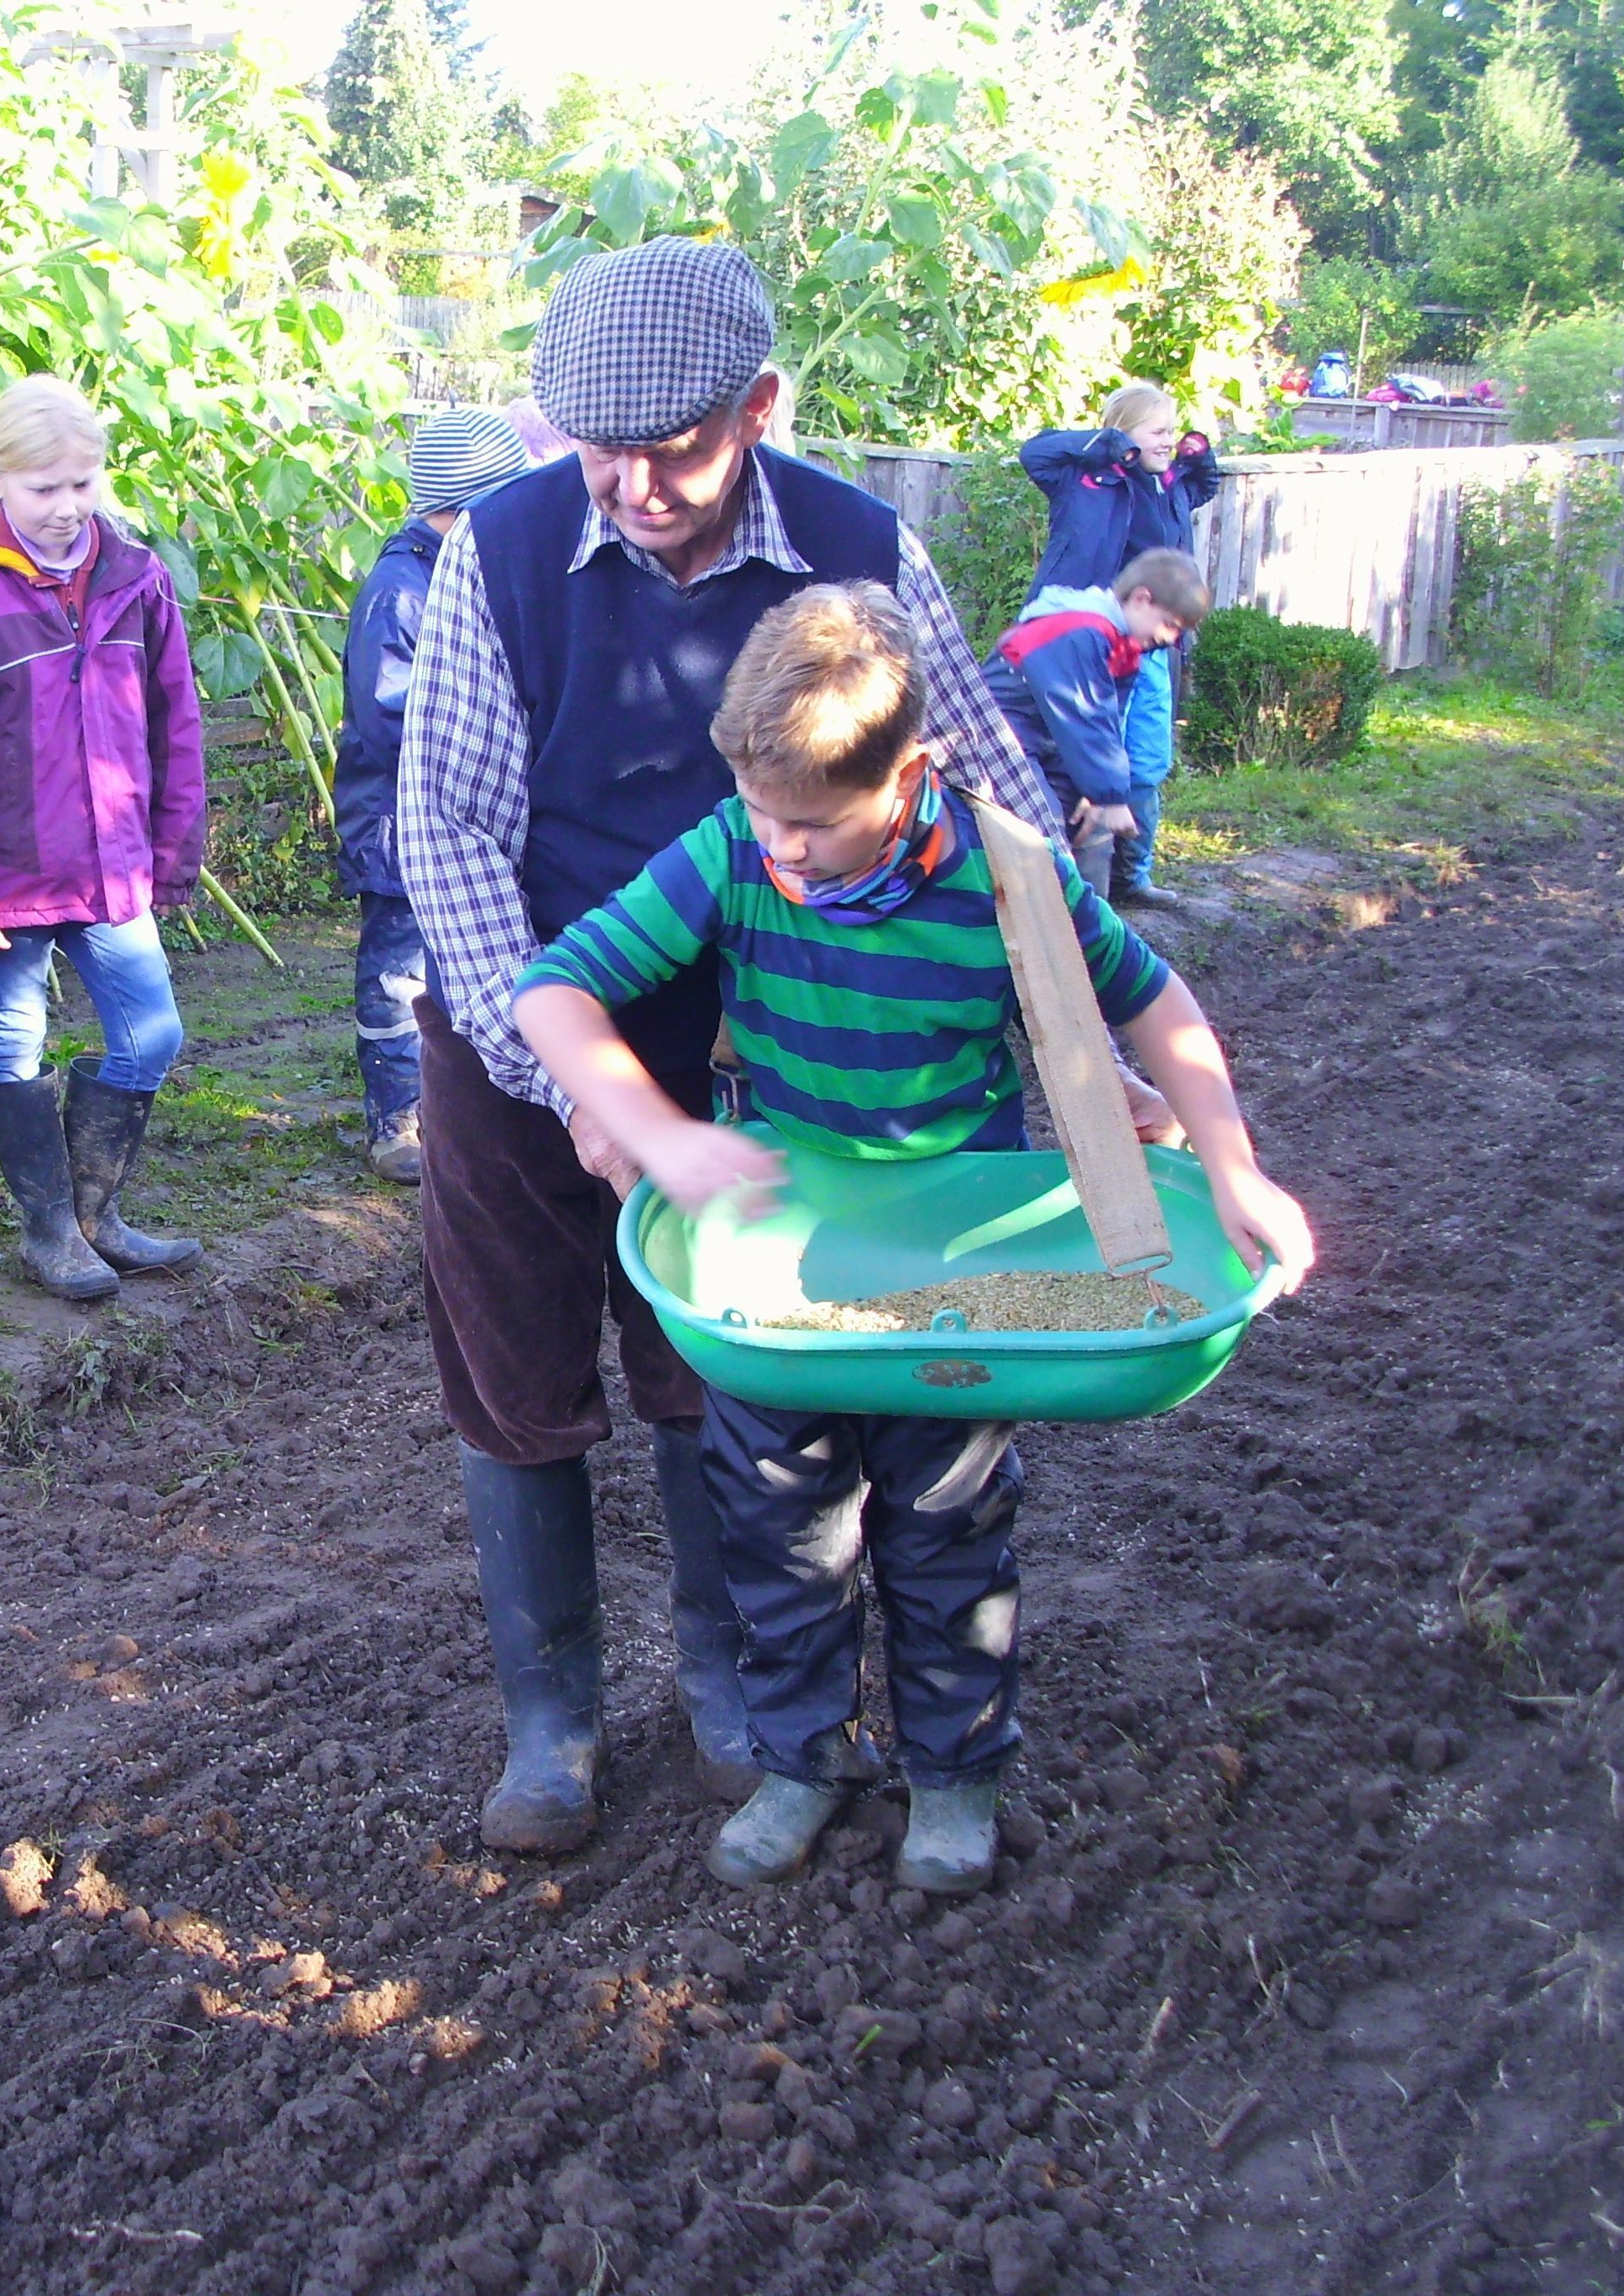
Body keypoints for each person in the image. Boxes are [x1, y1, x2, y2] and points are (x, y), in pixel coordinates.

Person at [396, 235, 1172, 1858]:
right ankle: (550, 1724)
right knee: (514, 1368)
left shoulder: (856, 548)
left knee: (726, 1363)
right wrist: (574, 1088)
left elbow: (993, 799)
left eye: (670, 449)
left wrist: (1070, 1034)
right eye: (598, 451)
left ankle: (732, 1692)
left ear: (755, 407)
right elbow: (448, 831)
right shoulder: (504, 551)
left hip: (764, 1030)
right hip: (527, 1003)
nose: (632, 486)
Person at [514, 582, 1315, 1893]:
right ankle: (804, 1761)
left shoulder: (1009, 872)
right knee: (778, 1534)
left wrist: (1233, 1168)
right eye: (762, 811)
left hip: (961, 1266)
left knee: (948, 1532)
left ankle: (954, 1776)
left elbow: (1156, 1004)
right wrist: (655, 1134)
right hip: (781, 1266)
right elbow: (555, 989)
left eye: (815, 824)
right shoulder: (729, 851)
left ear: (910, 774)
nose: (783, 847)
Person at [0, 377, 208, 1302]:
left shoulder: (137, 577)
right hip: (6, 879)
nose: (68, 506)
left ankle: (95, 1217)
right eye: (44, 489)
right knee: (13, 1044)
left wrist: (172, 850)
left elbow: (176, 721)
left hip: (113, 867)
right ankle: (49, 1233)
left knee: (152, 1035)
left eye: (83, 483)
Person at [334, 409, 532, 1183]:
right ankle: (396, 1118)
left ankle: (451, 1108)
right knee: (399, 972)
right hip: (399, 824)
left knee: (461, 963)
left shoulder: (466, 576)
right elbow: (392, 719)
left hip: (456, 815)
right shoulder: (401, 592)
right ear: (467, 506)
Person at [1019, 385, 1219, 905]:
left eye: (1172, 431)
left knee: (1145, 762)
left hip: (1145, 646)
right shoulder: (1087, 478)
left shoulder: (1169, 485)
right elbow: (1035, 452)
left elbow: (1206, 483)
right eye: (1158, 432)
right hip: (1086, 639)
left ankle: (1131, 879)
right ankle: (1072, 891)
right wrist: (1110, 446)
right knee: (1076, 756)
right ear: (1124, 433)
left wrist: (1198, 452)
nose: (1168, 441)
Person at [982, 549, 1213, 900]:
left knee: (1091, 827)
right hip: (997, 736)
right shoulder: (1079, 629)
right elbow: (1084, 716)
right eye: (1170, 624)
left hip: (1047, 740)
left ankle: (1089, 927)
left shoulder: (1124, 649)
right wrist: (1109, 794)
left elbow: (1107, 724)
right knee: (1038, 830)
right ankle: (1031, 923)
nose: (1170, 639)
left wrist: (1095, 794)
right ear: (1141, 599)